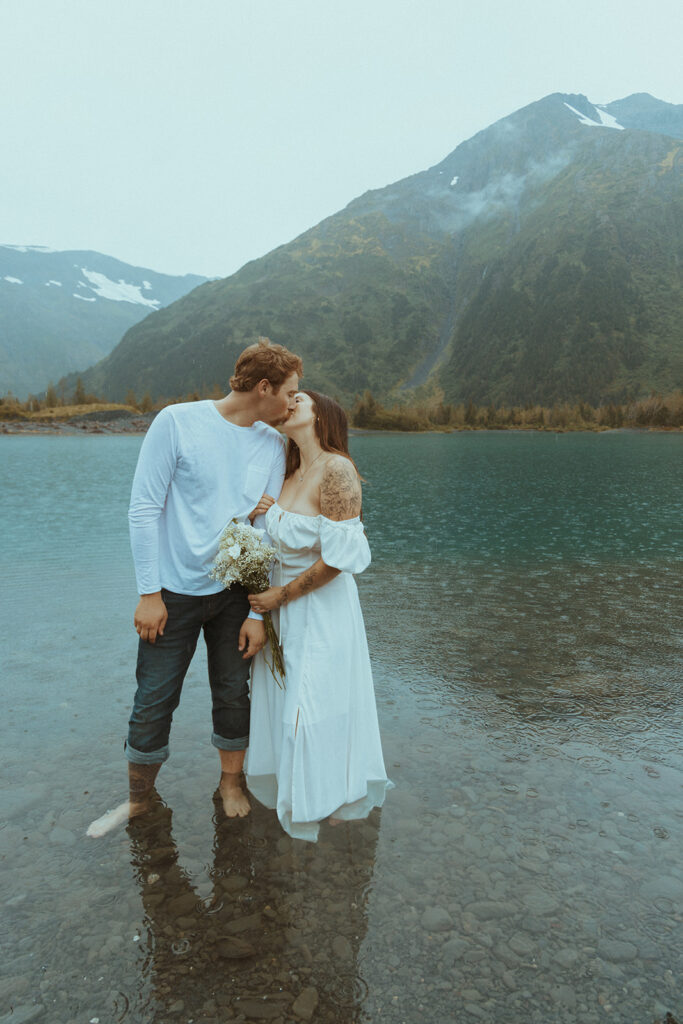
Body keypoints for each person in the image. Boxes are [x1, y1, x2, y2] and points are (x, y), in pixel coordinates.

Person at [87, 338, 303, 838]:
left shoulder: (272, 444)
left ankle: (230, 784)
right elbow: (143, 509)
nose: (295, 400)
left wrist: (256, 613)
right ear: (265, 386)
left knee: (233, 693)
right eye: (291, 391)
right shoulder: (177, 422)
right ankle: (139, 800)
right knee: (155, 696)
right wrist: (148, 593)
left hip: (232, 595)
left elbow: (260, 530)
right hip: (171, 594)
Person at [244, 390, 392, 840]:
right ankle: (303, 790)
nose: (289, 404)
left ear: (322, 416)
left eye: (299, 400)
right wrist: (261, 516)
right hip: (281, 609)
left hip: (321, 610)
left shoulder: (337, 469)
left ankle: (329, 796)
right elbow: (276, 536)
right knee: (287, 701)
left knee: (316, 704)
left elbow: (338, 559)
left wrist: (280, 597)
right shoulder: (287, 470)